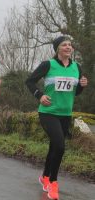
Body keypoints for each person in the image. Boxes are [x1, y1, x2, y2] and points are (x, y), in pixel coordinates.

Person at [26, 36, 88, 200]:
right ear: (57, 49)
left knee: (55, 146)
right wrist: (39, 95)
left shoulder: (77, 67)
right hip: (48, 112)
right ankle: (53, 183)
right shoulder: (48, 65)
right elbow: (30, 81)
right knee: (60, 146)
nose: (68, 47)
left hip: (65, 114)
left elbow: (75, 92)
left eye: (70, 45)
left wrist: (81, 85)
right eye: (64, 45)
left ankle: (44, 176)